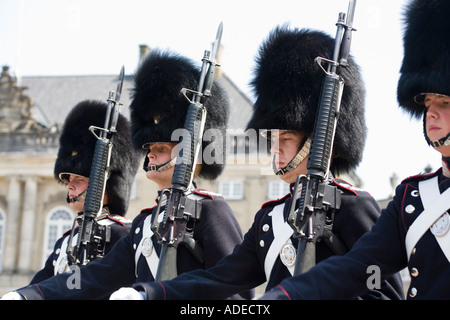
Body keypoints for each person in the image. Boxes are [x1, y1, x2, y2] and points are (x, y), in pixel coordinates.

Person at [113, 26, 405, 300]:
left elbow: (382, 290)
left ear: (318, 138)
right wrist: (149, 294)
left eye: (286, 138)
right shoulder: (270, 220)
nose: (274, 149)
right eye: (272, 138)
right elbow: (221, 278)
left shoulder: (352, 207)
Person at [3, 50, 252, 300]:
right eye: (150, 148)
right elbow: (91, 278)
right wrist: (30, 295)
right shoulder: (145, 224)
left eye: (161, 148)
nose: (150, 156)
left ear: (189, 152)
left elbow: (237, 293)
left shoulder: (210, 210)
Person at [256, 0, 450, 300]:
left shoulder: (362, 205)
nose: (431, 114)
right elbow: (357, 267)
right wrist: (290, 294)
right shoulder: (412, 198)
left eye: (444, 103)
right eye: (427, 104)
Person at [30, 99, 140, 283]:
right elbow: (42, 286)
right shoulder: (66, 241)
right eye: (68, 179)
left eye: (79, 179)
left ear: (105, 185)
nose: (69, 186)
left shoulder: (123, 233)